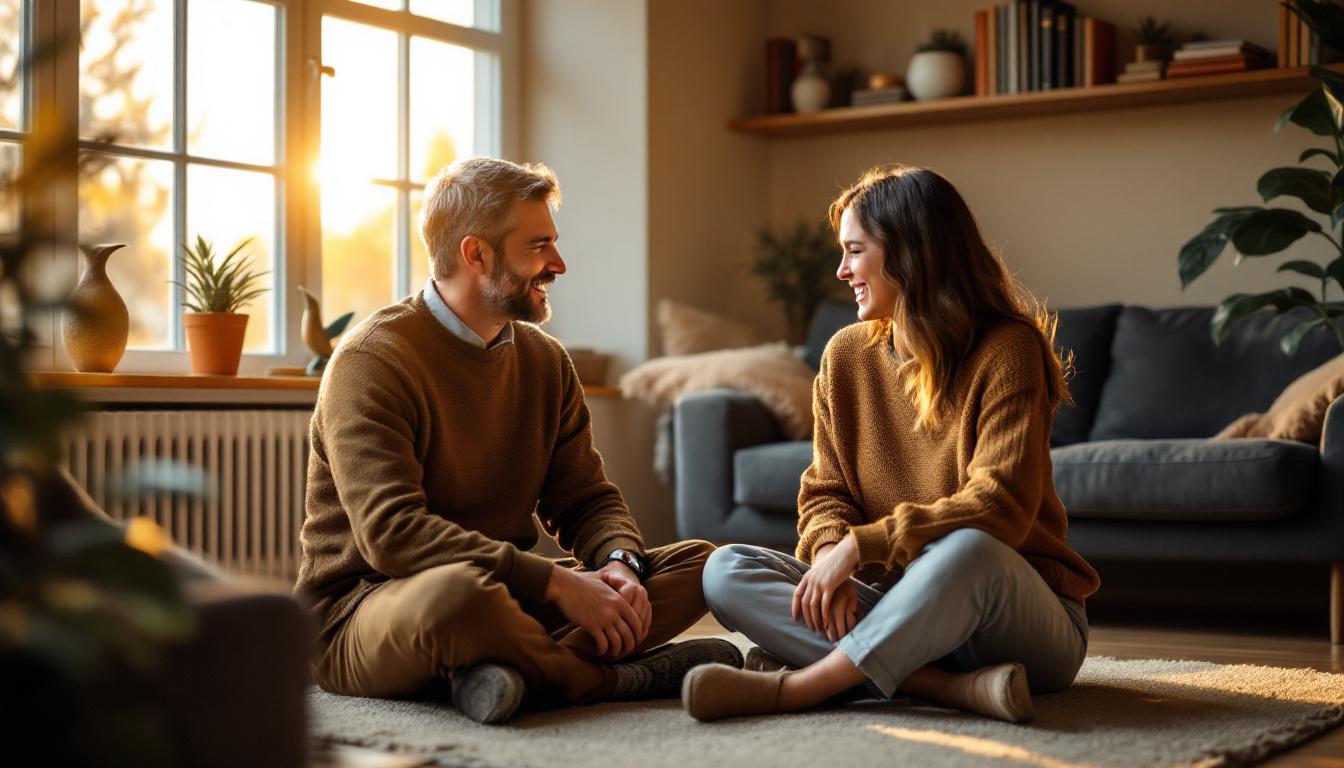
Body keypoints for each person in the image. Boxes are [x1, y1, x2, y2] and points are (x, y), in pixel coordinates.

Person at [296, 157, 739, 725]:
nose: (558, 263)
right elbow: (392, 535)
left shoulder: (545, 362)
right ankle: (608, 679)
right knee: (458, 598)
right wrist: (555, 582)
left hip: (507, 596)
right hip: (370, 610)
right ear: (475, 254)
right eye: (539, 246)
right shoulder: (372, 361)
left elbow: (586, 499)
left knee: (703, 566)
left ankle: (502, 675)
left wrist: (619, 565)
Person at [683, 164, 1100, 723]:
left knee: (969, 548)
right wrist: (830, 553)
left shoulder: (1008, 349)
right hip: (899, 614)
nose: (841, 270)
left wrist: (861, 547)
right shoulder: (845, 356)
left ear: (910, 253)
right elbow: (824, 492)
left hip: (1016, 622)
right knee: (725, 569)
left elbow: (999, 508)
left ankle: (801, 686)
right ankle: (951, 690)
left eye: (854, 251)